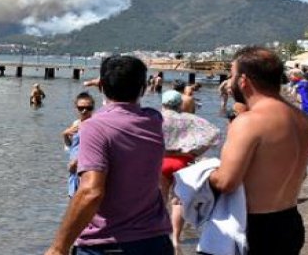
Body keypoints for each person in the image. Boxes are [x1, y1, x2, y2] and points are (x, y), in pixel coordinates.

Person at [44, 56, 172, 255]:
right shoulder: (154, 120)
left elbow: (90, 192)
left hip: (108, 243)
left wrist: (58, 247)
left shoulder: (94, 127)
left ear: (102, 86)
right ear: (144, 88)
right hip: (155, 240)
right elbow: (129, 112)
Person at [208, 46, 308, 255]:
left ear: (243, 80)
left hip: (254, 226)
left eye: (231, 75)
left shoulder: (250, 122)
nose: (230, 83)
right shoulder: (303, 120)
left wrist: (203, 173)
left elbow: (226, 182)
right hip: (289, 220)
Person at [159, 89, 220, 250]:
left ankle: (159, 235)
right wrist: (195, 151)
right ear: (180, 104)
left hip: (161, 160)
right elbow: (214, 133)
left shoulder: (155, 118)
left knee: (160, 199)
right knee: (178, 201)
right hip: (182, 160)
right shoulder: (188, 119)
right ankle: (176, 239)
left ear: (163, 103)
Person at [61, 92, 95, 197]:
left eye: (88, 108)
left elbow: (93, 148)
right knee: (72, 198)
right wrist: (65, 134)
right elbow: (70, 146)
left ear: (92, 108)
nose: (84, 110)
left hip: (85, 169)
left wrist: (76, 161)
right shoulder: (76, 124)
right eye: (81, 108)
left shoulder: (95, 125)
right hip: (73, 169)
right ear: (76, 108)